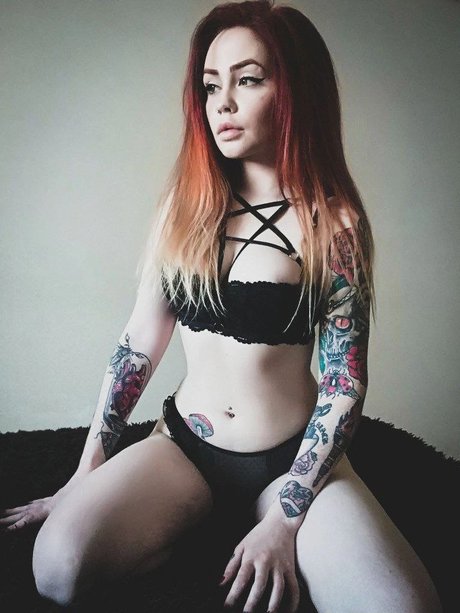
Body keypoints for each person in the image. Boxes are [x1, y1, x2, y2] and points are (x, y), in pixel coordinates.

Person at [0, 1, 442, 612]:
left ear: (296, 91)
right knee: (56, 568)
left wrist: (287, 517)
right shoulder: (185, 209)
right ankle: (189, 520)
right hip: (186, 449)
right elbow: (138, 344)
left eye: (248, 79)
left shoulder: (333, 224)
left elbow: (345, 381)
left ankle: (257, 519)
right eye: (211, 86)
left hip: (293, 462)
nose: (222, 104)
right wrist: (86, 471)